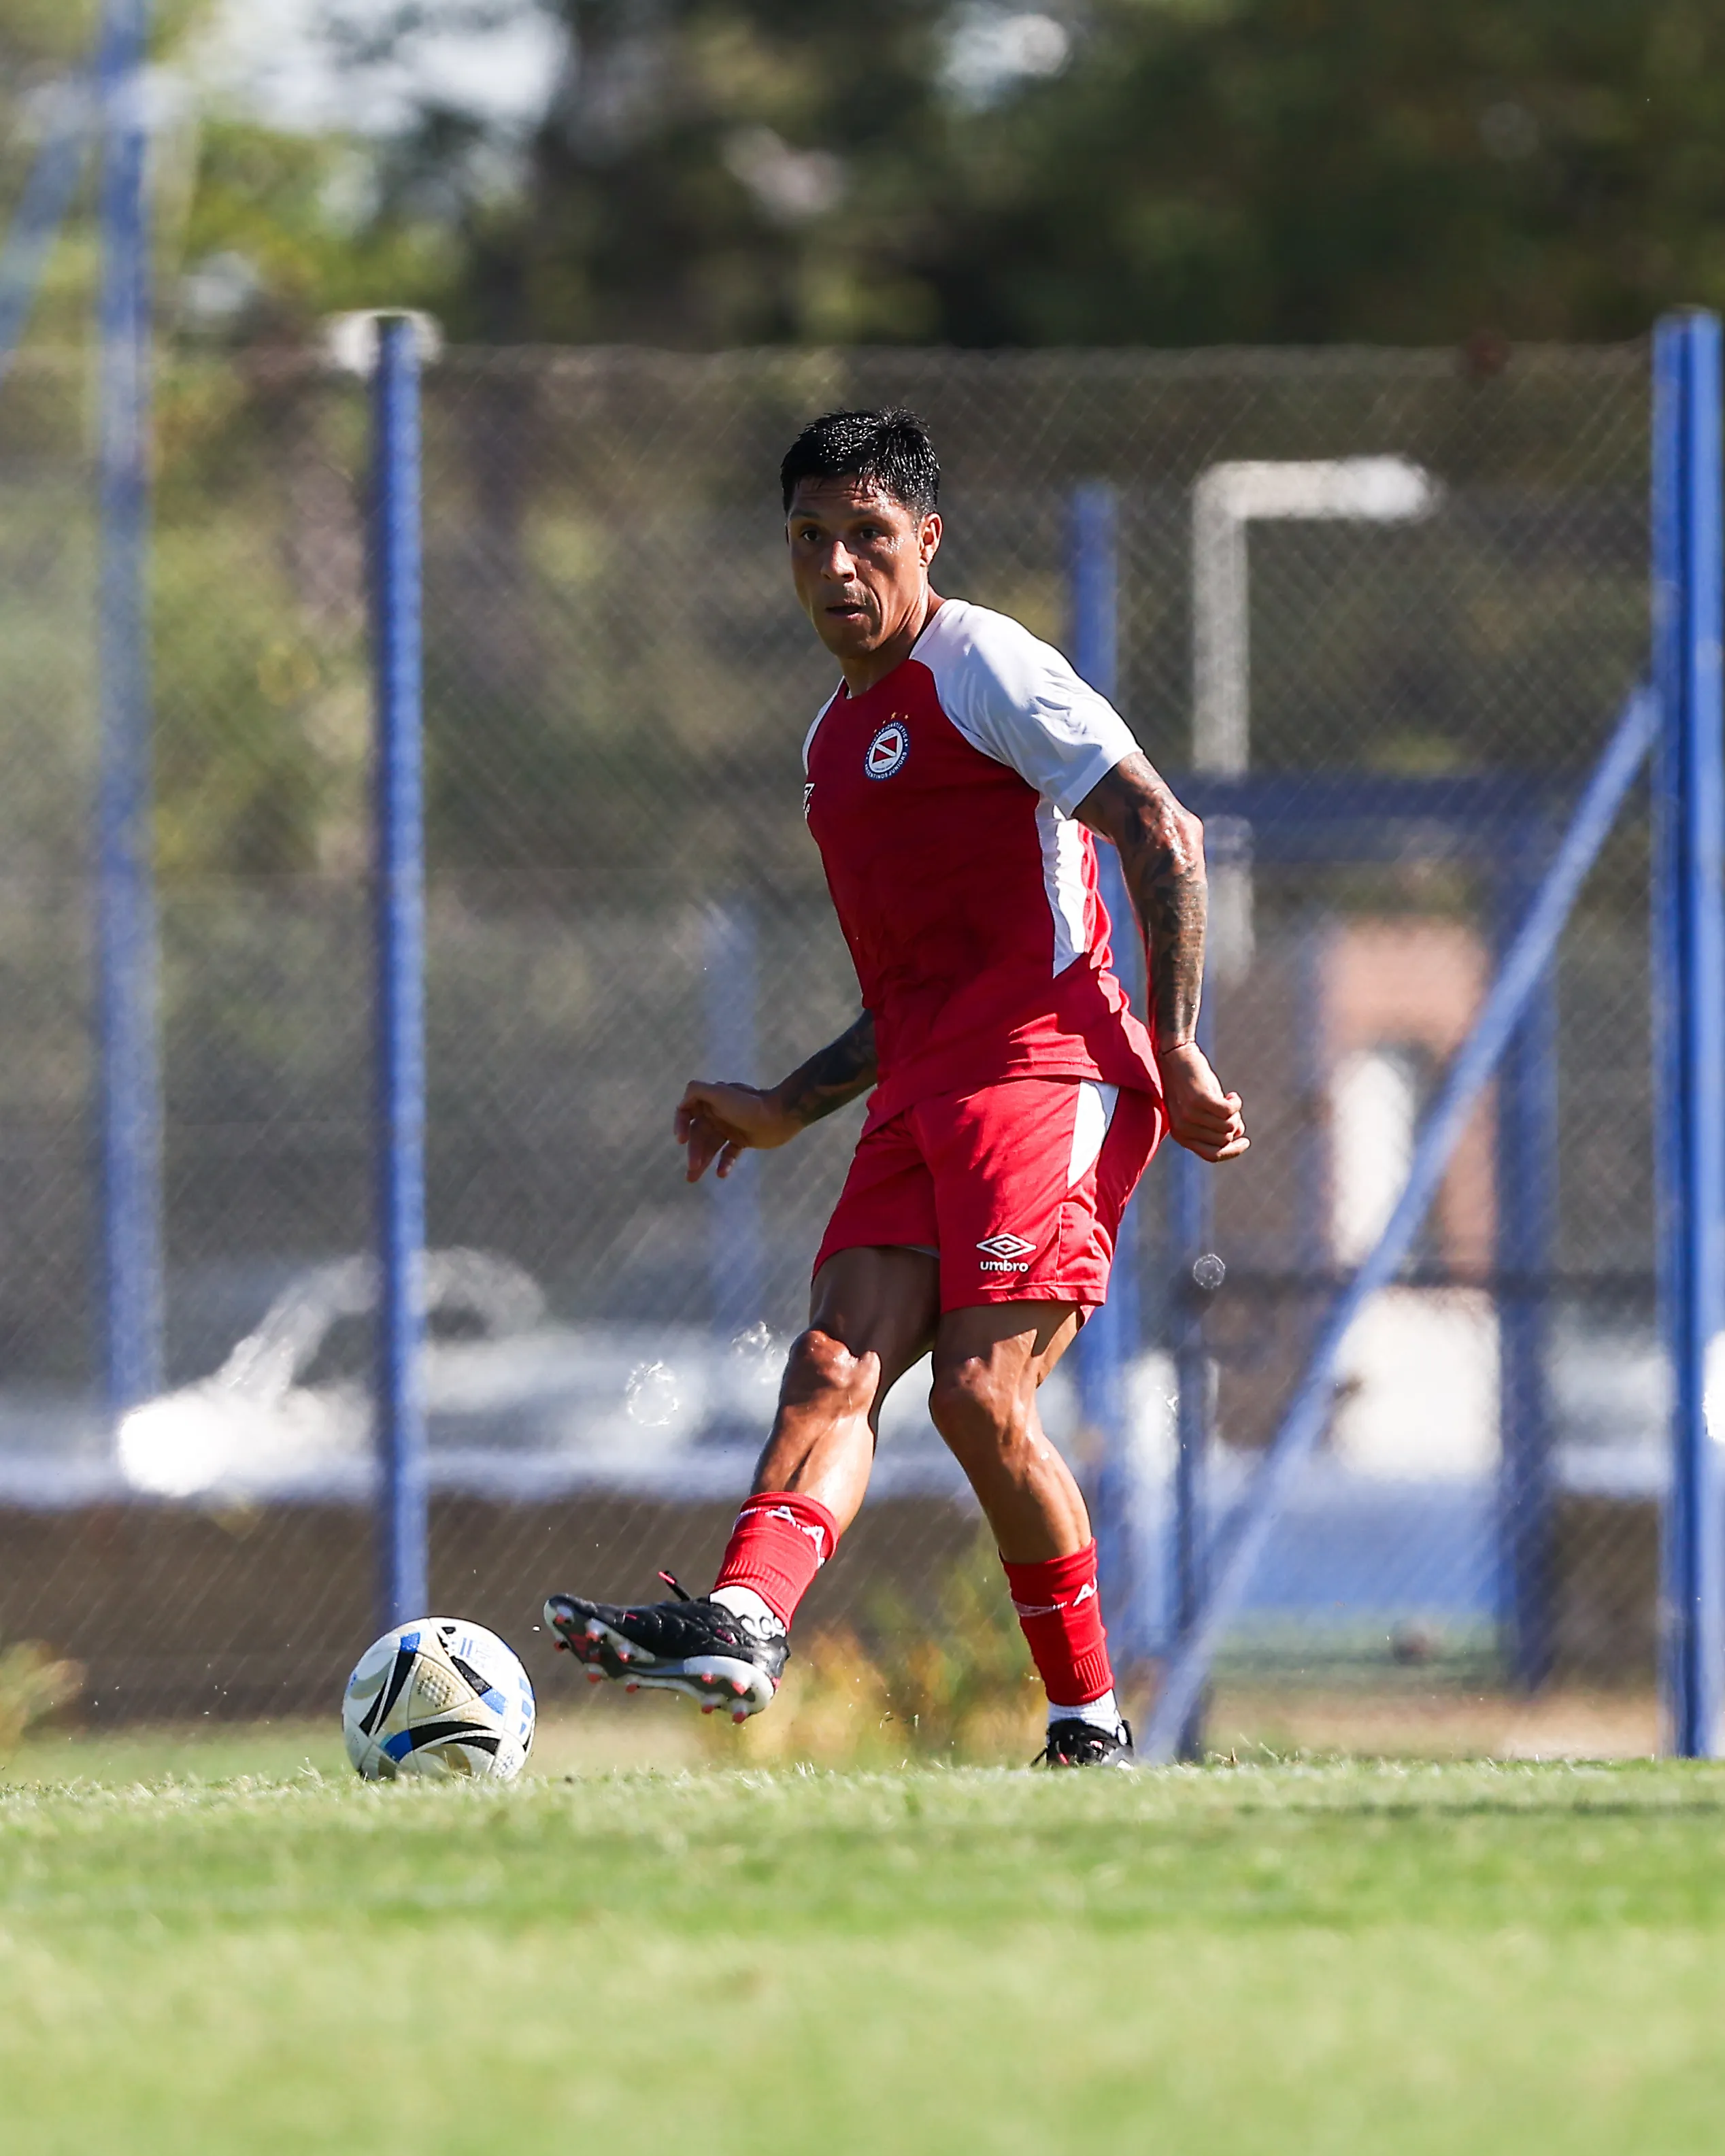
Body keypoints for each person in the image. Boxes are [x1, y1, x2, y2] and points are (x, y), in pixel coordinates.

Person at [546, 409, 1247, 1766]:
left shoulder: (981, 663)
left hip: (1050, 1066)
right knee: (830, 1363)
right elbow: (912, 990)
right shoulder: (830, 748)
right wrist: (786, 1104)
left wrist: (1173, 1044)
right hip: (923, 1089)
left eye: (866, 534)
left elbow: (1161, 828)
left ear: (925, 538)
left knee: (978, 1396)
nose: (835, 566)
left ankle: (1089, 1727)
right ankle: (743, 1621)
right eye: (808, 537)